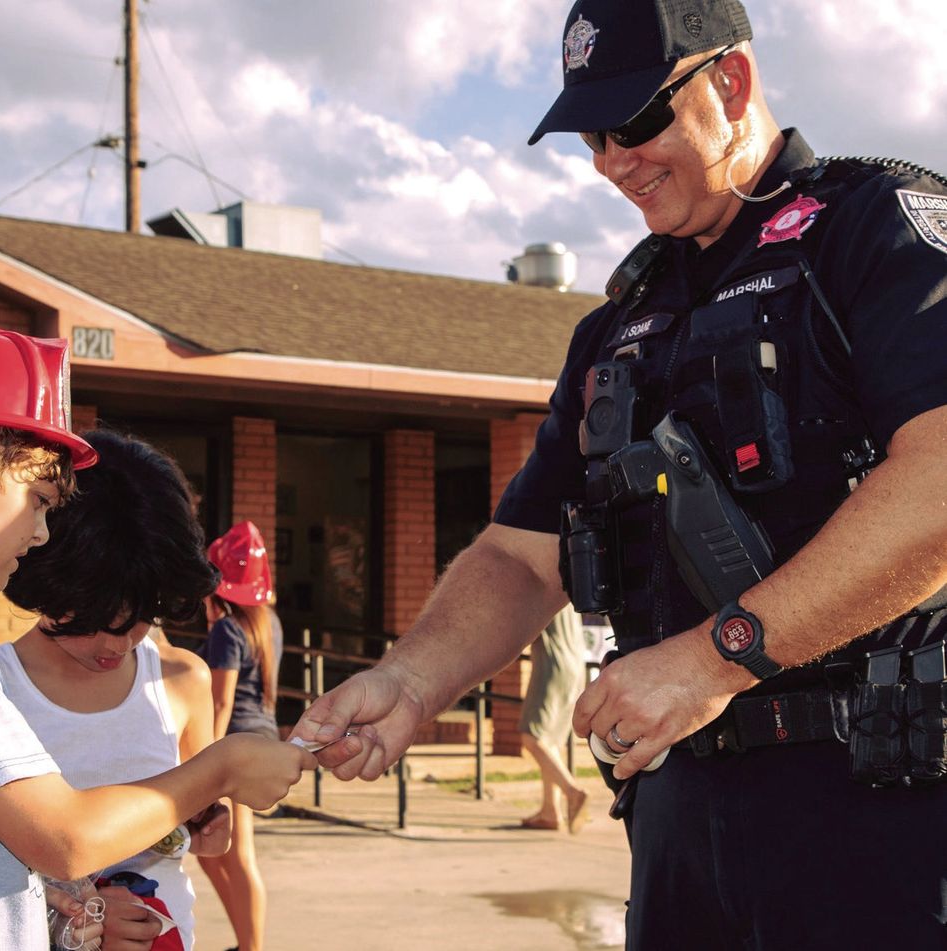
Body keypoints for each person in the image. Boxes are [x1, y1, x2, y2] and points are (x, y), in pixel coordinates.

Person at [292, 1, 947, 948]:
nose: (611, 160)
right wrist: (411, 680)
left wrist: (712, 659)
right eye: (590, 134)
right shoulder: (619, 325)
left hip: (878, 807)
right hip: (682, 823)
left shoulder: (870, 228)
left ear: (731, 82)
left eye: (637, 121)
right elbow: (522, 557)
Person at [0, 322, 315, 950]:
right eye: (39, 498)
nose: (43, 532)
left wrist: (62, 914)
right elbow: (66, 839)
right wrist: (222, 768)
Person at [0, 428, 230, 951]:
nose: (116, 644)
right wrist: (87, 916)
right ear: (45, 579)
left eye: (140, 619)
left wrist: (210, 825)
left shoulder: (181, 681)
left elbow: (199, 822)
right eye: (91, 620)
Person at [196, 520, 283, 951]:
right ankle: (246, 942)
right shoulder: (269, 624)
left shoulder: (226, 630)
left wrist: (204, 761)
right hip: (263, 739)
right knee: (216, 854)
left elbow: (220, 701)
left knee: (237, 854)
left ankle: (252, 946)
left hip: (234, 746)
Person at [516, 607, 589, 833]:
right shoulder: (567, 585)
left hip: (553, 663)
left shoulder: (541, 581)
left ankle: (573, 792)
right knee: (552, 741)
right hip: (576, 665)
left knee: (532, 736)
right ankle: (550, 812)